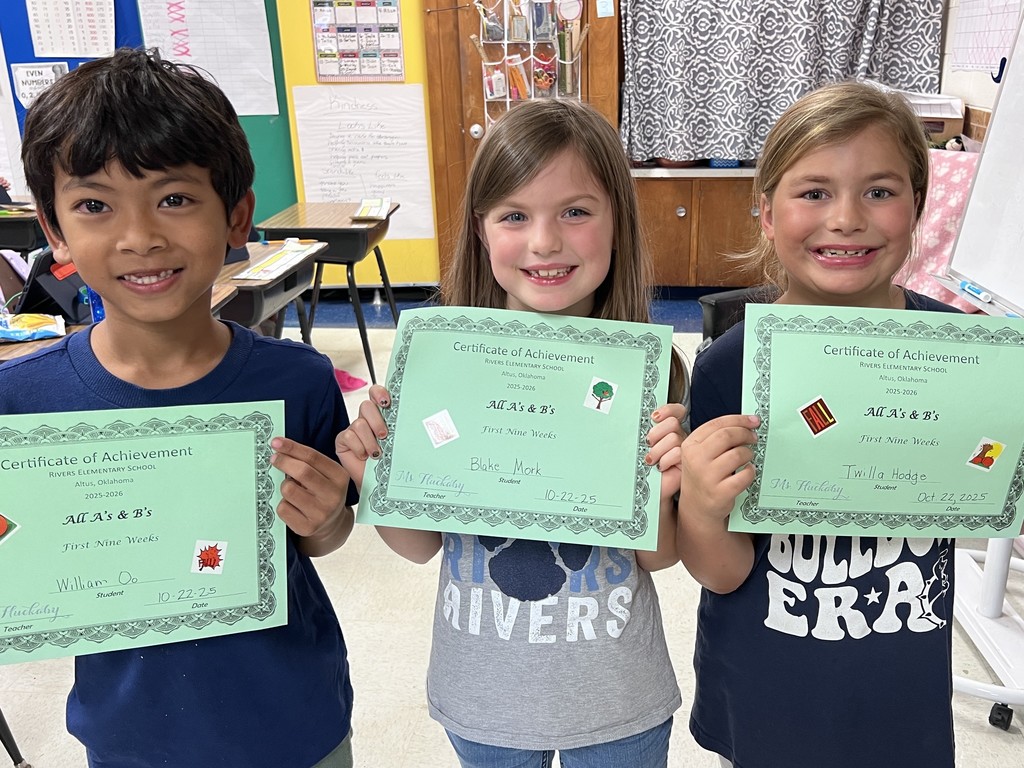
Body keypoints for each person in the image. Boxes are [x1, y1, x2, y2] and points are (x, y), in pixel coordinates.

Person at [3, 48, 358, 768]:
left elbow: (324, 537)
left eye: (174, 198)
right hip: (132, 739)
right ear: (54, 231)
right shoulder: (19, 404)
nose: (140, 237)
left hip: (296, 724)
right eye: (95, 205)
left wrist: (328, 520)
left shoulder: (302, 380)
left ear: (236, 216)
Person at [336, 98, 686, 768]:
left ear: (618, 222)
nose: (545, 242)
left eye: (576, 212)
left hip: (615, 692)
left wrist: (666, 486)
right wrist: (376, 474)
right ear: (481, 228)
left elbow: (658, 557)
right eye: (515, 216)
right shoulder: (441, 365)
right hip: (483, 692)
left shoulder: (650, 370)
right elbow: (418, 546)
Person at [677, 81, 961, 768]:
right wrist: (706, 512)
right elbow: (718, 574)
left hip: (903, 699)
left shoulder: (958, 356)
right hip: (764, 694)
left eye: (880, 191)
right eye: (814, 193)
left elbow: (988, 497)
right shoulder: (726, 369)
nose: (846, 218)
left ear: (918, 205)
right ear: (767, 215)